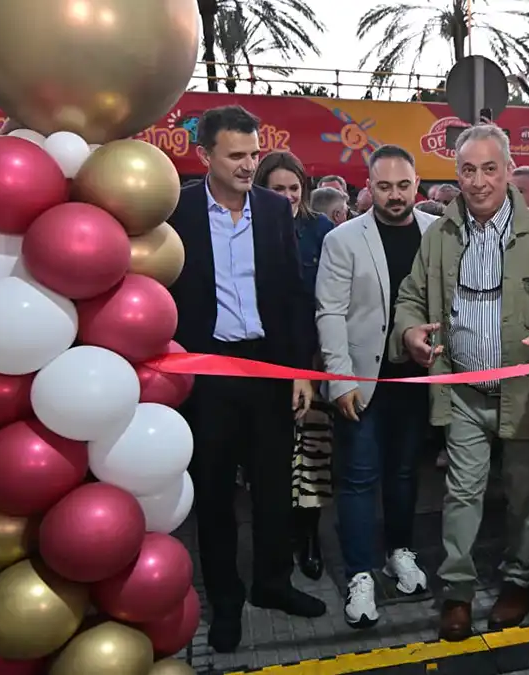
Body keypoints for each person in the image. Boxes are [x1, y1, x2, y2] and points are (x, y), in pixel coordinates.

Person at [388, 125, 529, 641]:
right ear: (458, 174)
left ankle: (519, 580)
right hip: (462, 392)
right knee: (461, 494)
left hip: (526, 393)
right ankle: (457, 591)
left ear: (508, 172)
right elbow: (410, 296)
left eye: (489, 169)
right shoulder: (440, 235)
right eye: (468, 170)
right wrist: (411, 329)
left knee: (527, 496)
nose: (478, 182)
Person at [168, 106, 324, 654]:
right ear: (204, 155)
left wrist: (301, 369)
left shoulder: (274, 210)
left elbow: (291, 296)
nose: (247, 165)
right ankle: (227, 600)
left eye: (253, 153)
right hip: (205, 373)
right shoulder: (177, 211)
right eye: (235, 155)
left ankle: (272, 584)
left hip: (268, 371)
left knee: (275, 488)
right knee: (212, 493)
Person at [315, 144, 438, 628]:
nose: (394, 195)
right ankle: (359, 572)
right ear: (369, 188)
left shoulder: (436, 232)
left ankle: (399, 551)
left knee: (406, 473)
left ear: (416, 186)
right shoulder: (344, 239)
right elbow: (330, 312)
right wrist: (340, 379)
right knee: (360, 478)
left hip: (415, 377)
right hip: (362, 380)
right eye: (384, 186)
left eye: (403, 185)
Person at [254, 151, 337, 582]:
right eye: (276, 188)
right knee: (273, 455)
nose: (286, 196)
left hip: (312, 358)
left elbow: (330, 299)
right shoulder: (247, 225)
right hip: (263, 361)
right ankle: (279, 536)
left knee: (313, 456)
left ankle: (309, 537)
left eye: (293, 188)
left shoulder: (320, 230)